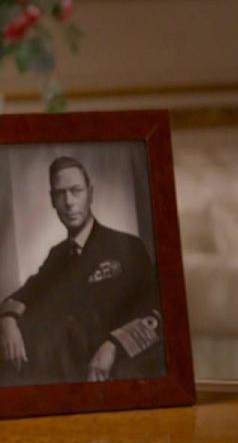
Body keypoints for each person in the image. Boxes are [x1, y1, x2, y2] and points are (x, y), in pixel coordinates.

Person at [0, 156, 164, 385]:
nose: (69, 202)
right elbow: (24, 294)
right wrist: (8, 321)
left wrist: (114, 345)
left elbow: (155, 310)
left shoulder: (127, 246)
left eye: (76, 190)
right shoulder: (56, 256)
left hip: (116, 374)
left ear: (91, 193)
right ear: (52, 200)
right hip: (64, 377)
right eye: (60, 193)